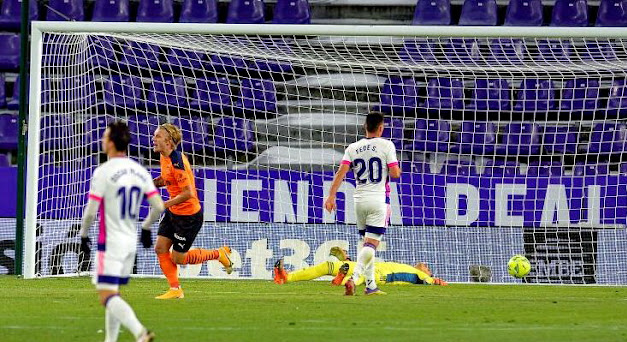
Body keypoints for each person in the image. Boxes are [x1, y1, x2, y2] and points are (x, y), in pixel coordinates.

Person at [79, 120, 164, 342]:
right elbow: (158, 206)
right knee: (113, 293)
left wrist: (83, 234)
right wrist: (146, 228)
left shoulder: (104, 171)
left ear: (112, 142)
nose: (102, 140)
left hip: (111, 243)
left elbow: (91, 212)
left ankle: (140, 332)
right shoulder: (140, 171)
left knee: (106, 296)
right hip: (130, 242)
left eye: (105, 137)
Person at [151, 123, 233, 299]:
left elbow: (188, 193)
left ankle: (219, 254)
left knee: (178, 259)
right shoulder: (164, 157)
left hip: (188, 217)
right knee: (160, 248)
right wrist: (153, 183)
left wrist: (163, 205)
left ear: (169, 141)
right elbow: (168, 179)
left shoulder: (177, 161)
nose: (153, 139)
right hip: (174, 212)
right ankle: (175, 290)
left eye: (157, 136)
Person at [324, 112, 401, 295]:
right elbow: (396, 174)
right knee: (371, 245)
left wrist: (331, 196)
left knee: (366, 244)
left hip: (358, 201)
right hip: (378, 200)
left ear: (365, 127)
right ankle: (354, 278)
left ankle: (371, 285)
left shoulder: (352, 147)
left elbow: (341, 173)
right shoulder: (386, 145)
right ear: (381, 128)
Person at [273, 247, 448, 286]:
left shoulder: (423, 277)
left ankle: (342, 282)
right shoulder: (408, 267)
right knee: (329, 265)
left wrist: (436, 281)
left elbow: (438, 284)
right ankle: (286, 277)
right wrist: (347, 259)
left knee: (361, 277)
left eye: (428, 267)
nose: (425, 265)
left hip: (383, 276)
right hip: (368, 264)